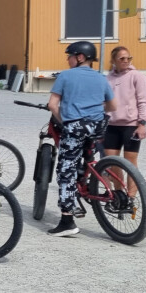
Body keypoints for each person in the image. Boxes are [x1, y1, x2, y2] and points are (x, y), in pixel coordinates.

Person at [46, 41, 117, 237]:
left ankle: (67, 220)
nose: (67, 60)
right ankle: (88, 177)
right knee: (88, 155)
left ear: (79, 57)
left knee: (66, 169)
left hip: (75, 126)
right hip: (97, 126)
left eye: (69, 56)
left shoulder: (66, 75)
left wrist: (64, 122)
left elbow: (53, 105)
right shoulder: (101, 78)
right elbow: (112, 106)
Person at [103, 47, 146, 174]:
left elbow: (143, 101)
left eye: (128, 58)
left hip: (131, 126)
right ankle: (119, 193)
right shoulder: (108, 79)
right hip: (111, 126)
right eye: (122, 58)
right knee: (112, 162)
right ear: (113, 60)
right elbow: (103, 102)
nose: (126, 61)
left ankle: (131, 194)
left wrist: (142, 124)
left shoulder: (137, 76)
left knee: (130, 164)